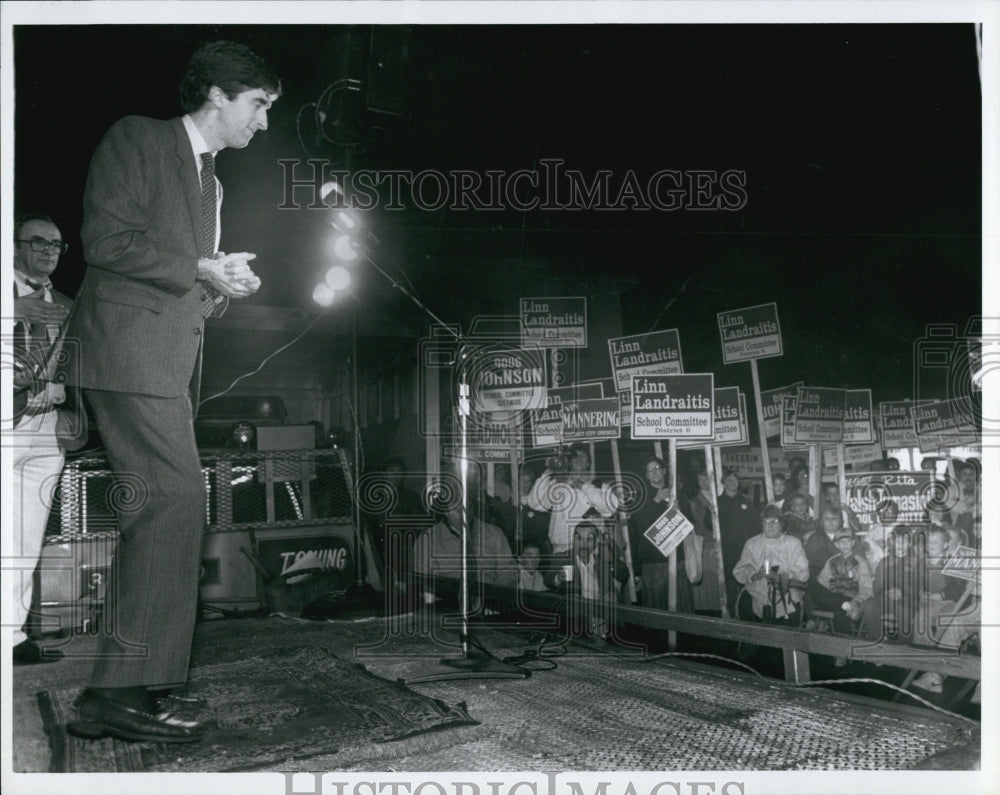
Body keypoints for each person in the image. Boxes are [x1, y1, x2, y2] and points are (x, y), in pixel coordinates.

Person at [62, 41, 281, 744]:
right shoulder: (138, 138)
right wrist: (198, 266)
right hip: (125, 351)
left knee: (168, 507)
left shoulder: (212, 186)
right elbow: (107, 241)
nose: (265, 123)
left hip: (164, 362)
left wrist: (222, 286)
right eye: (260, 105)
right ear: (217, 93)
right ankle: (118, 691)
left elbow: (190, 280)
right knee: (174, 500)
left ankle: (131, 687)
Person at [10, 214, 87, 665]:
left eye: (55, 244)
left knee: (26, 538)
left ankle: (14, 635)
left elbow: (79, 365)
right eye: (36, 241)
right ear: (15, 246)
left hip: (45, 430)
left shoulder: (66, 303)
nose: (46, 250)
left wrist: (69, 404)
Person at [526, 442, 620, 571]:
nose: (579, 458)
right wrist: (548, 472)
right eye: (575, 456)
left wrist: (583, 486)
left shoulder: (600, 485)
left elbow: (610, 508)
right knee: (563, 587)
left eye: (583, 456)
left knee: (591, 589)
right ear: (568, 461)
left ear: (589, 462)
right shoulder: (557, 485)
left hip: (592, 551)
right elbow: (534, 503)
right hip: (563, 549)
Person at [626, 457, 694, 612]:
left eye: (657, 467)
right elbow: (638, 526)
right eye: (650, 470)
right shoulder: (640, 497)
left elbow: (690, 524)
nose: (654, 472)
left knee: (681, 604)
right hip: (653, 559)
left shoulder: (678, 494)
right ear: (646, 476)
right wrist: (655, 501)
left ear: (664, 471)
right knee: (657, 607)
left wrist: (679, 511)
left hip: (677, 557)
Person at [732, 506, 808, 623]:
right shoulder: (752, 543)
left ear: (782, 524)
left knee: (792, 605)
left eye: (774, 521)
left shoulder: (793, 543)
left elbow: (802, 570)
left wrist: (783, 576)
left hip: (784, 588)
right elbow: (740, 570)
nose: (770, 525)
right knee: (745, 602)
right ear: (762, 524)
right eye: (766, 522)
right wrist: (755, 575)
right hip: (757, 589)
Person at [816, 526, 873, 637]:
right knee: (815, 590)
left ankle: (842, 649)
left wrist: (856, 601)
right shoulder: (832, 561)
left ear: (853, 543)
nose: (845, 544)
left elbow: (867, 588)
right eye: (841, 542)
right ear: (836, 545)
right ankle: (841, 604)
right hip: (834, 597)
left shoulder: (860, 562)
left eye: (847, 541)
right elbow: (822, 582)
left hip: (851, 597)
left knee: (840, 614)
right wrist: (831, 586)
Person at [716, 470, 759, 616]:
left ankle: (746, 612)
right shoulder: (717, 502)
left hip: (745, 550)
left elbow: (756, 526)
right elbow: (708, 524)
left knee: (745, 580)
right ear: (723, 482)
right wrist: (711, 512)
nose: (732, 482)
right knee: (728, 582)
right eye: (728, 479)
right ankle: (729, 613)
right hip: (726, 550)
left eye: (735, 479)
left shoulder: (746, 501)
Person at [686, 470, 721, 613]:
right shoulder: (695, 502)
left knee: (718, 579)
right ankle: (705, 611)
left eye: (706, 479)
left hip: (719, 543)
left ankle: (719, 608)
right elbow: (700, 524)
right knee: (707, 578)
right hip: (705, 544)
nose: (704, 482)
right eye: (700, 480)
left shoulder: (719, 498)